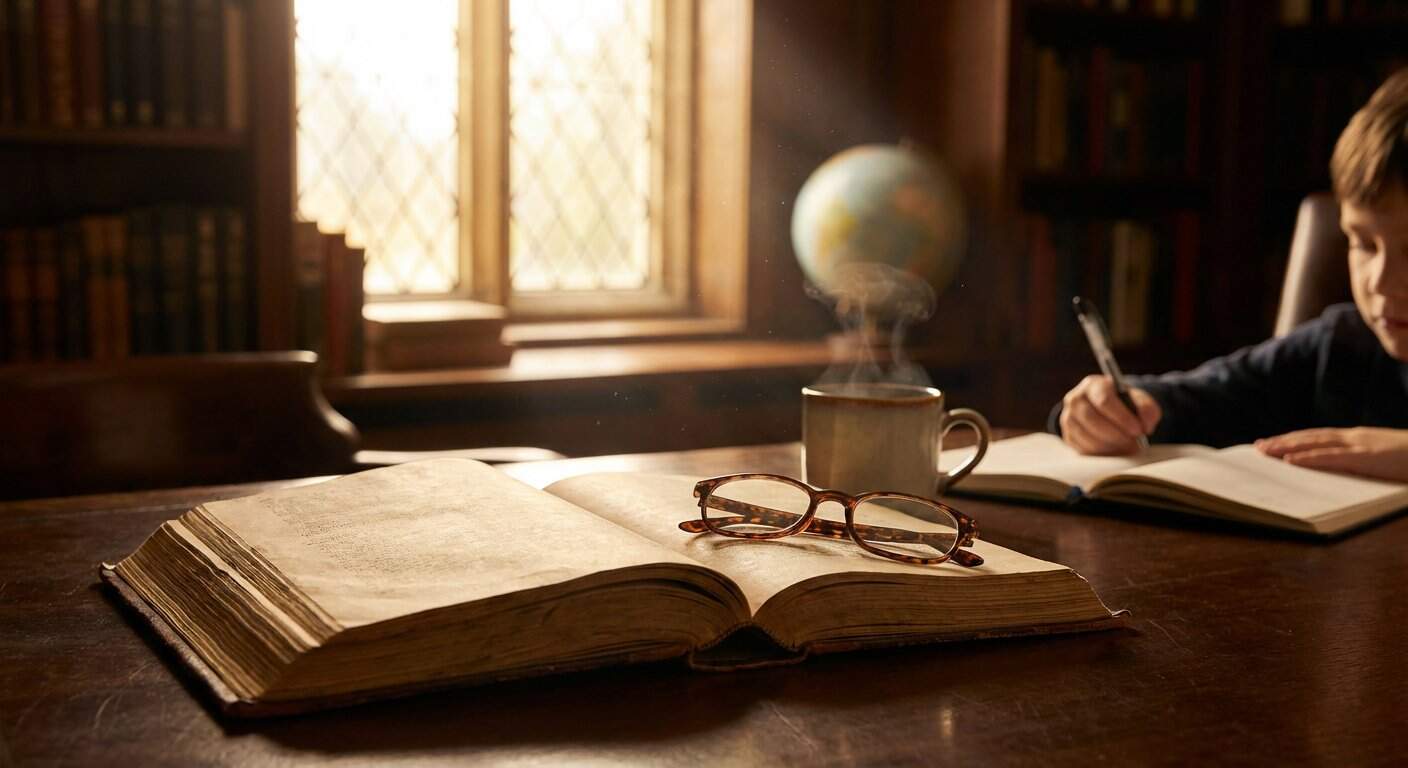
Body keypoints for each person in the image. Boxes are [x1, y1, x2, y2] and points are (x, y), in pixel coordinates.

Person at [1051, 69, 1408, 483]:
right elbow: (1196, 398)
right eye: (1363, 244)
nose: (1380, 282)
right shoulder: (1341, 349)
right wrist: (1102, 411)